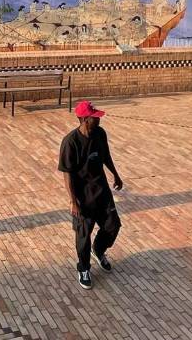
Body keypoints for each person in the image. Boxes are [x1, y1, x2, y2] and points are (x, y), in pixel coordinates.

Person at [58, 100, 123, 290]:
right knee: (83, 235)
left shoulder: (100, 134)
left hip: (101, 190)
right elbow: (67, 174)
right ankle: (84, 268)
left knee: (113, 225)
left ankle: (99, 250)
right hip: (82, 196)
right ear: (85, 119)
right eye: (95, 117)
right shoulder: (70, 142)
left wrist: (116, 174)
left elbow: (106, 156)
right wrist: (73, 202)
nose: (99, 119)